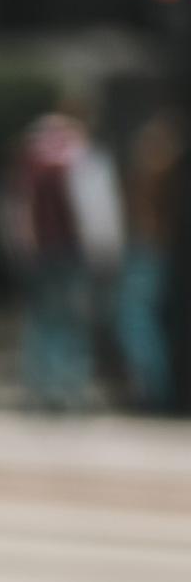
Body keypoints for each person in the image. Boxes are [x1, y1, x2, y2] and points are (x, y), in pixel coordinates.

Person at [0, 105, 123, 411]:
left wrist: (15, 249)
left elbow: (8, 210)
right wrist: (108, 252)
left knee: (40, 321)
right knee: (74, 322)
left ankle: (40, 388)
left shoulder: (26, 161)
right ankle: (71, 388)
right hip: (72, 253)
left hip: (38, 255)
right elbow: (98, 211)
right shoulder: (82, 159)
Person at [119, 108, 178, 410]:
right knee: (136, 320)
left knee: (134, 320)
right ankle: (149, 389)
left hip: (145, 248)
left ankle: (151, 391)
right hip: (147, 248)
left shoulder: (155, 172)